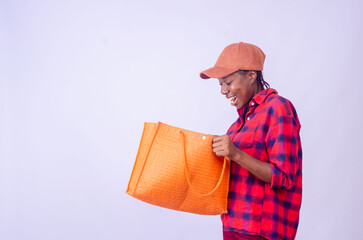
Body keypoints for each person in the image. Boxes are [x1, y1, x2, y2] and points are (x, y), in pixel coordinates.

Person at [200, 42, 302, 240]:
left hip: (261, 231)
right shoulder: (237, 126)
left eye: (228, 82)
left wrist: (235, 154)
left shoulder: (278, 109)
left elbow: (284, 177)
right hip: (231, 225)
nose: (223, 90)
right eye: (220, 84)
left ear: (252, 75)